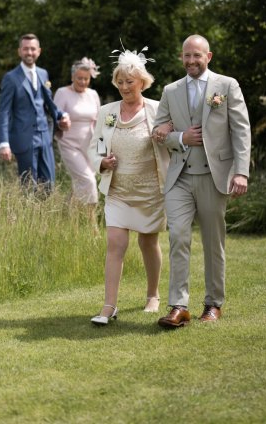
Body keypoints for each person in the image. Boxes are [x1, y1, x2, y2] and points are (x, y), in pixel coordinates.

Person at [153, 34, 251, 328]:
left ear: (208, 56)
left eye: (197, 55)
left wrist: (241, 171)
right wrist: (181, 137)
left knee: (212, 242)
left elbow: (241, 130)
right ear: (181, 57)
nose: (191, 61)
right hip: (180, 178)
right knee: (178, 237)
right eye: (186, 55)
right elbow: (158, 132)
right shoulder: (170, 90)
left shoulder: (227, 85)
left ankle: (212, 304)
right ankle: (178, 306)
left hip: (214, 175)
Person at [88, 45, 171, 325]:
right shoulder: (107, 112)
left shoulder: (157, 109)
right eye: (120, 82)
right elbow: (95, 147)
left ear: (142, 82)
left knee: (148, 242)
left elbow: (171, 143)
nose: (124, 86)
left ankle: (153, 295)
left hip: (150, 190)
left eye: (130, 82)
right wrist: (102, 163)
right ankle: (109, 306)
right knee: (115, 243)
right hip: (118, 191)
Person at [0, 33, 71, 191]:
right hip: (24, 138)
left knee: (49, 185)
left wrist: (61, 115)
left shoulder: (43, 74)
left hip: (45, 136)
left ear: (39, 51)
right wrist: (4, 143)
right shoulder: (11, 78)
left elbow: (48, 102)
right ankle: (28, 214)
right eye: (25, 49)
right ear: (19, 51)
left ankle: (42, 214)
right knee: (29, 186)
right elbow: (4, 112)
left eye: (32, 49)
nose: (29, 52)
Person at [54, 58, 101, 206]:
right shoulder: (62, 93)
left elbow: (101, 119)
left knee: (82, 182)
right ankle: (92, 224)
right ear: (72, 77)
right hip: (69, 144)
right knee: (88, 180)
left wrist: (103, 146)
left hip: (89, 145)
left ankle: (67, 213)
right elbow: (55, 117)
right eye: (79, 78)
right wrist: (61, 123)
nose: (82, 82)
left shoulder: (93, 94)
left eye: (86, 79)